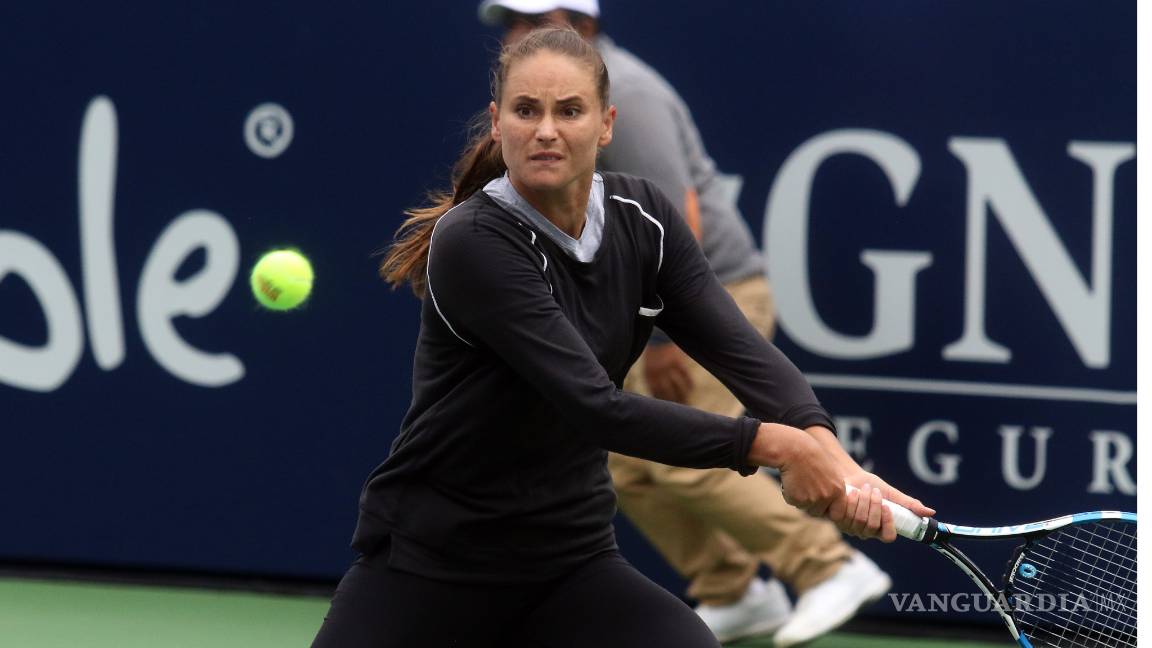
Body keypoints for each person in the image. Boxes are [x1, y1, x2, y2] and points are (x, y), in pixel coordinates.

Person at [312, 26, 929, 648]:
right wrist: (780, 448)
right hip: (431, 566)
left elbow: (741, 353)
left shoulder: (645, 219)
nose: (546, 130)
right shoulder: (474, 242)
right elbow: (594, 408)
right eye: (527, 111)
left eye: (569, 111)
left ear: (606, 124)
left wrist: (830, 453)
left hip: (569, 568)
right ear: (497, 124)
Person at [477, 2, 899, 644]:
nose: (516, 32)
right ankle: (733, 588)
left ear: (583, 26)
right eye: (510, 20)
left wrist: (667, 338)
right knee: (623, 463)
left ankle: (829, 566)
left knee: (677, 459)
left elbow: (680, 219)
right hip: (649, 298)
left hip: (708, 291)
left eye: (534, 18)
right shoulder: (552, 94)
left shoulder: (627, 94)